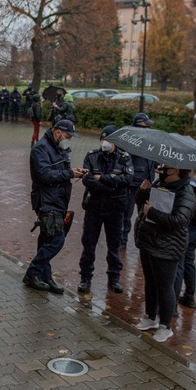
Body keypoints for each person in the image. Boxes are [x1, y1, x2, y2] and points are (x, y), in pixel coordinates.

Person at [133, 165, 196, 342]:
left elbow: (179, 220)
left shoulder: (186, 193)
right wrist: (142, 191)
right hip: (148, 241)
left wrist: (152, 212)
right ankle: (150, 317)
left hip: (167, 246)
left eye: (166, 167)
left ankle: (165, 326)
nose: (160, 169)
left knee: (165, 286)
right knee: (150, 282)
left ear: (176, 170)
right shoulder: (158, 183)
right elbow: (141, 204)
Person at [25, 119, 88, 293]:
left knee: (46, 238)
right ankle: (32, 273)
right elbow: (44, 175)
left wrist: (73, 171)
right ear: (58, 132)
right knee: (56, 239)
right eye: (68, 136)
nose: (69, 140)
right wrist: (69, 173)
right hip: (46, 201)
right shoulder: (41, 149)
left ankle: (45, 276)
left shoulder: (58, 148)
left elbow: (58, 171)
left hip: (58, 200)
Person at [78, 125, 134, 295]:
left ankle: (114, 278)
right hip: (94, 207)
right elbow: (87, 179)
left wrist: (102, 178)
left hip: (115, 209)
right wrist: (111, 184)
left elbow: (127, 179)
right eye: (103, 140)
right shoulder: (92, 156)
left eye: (108, 140)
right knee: (88, 244)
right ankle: (85, 277)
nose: (105, 143)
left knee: (114, 246)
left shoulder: (125, 158)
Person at [121, 113, 158, 248]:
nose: (148, 126)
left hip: (147, 182)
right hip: (133, 182)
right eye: (146, 123)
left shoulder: (149, 138)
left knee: (145, 214)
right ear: (139, 123)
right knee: (127, 213)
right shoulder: (130, 138)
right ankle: (122, 240)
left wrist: (156, 166)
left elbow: (152, 157)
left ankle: (143, 241)